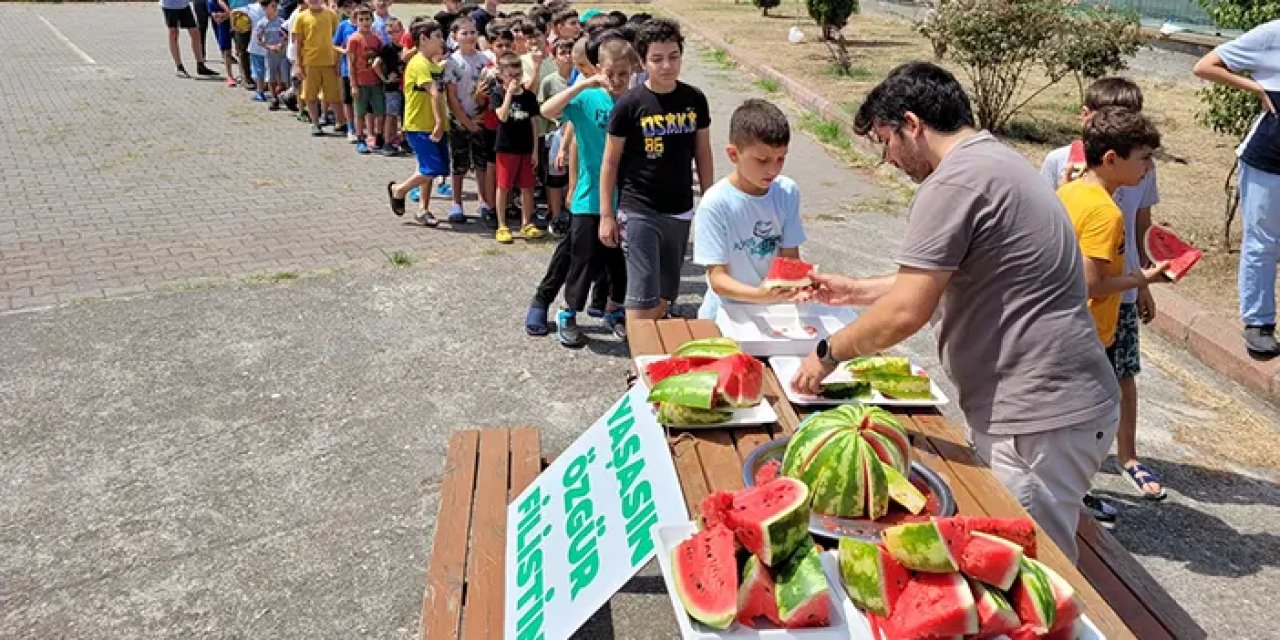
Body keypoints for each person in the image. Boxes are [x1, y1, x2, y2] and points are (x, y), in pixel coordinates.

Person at [790, 62, 1120, 562]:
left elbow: (908, 310)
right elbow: (951, 276)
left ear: (912, 124)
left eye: (887, 142)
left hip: (1037, 419)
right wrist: (854, 289)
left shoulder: (953, 183)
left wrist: (827, 352)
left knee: (1029, 568)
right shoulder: (994, 160)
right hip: (1060, 407)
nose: (890, 159)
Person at [1041, 78, 1167, 508]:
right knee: (1090, 415)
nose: (1149, 166)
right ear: (1112, 157)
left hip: (1064, 322)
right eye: (1144, 158)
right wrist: (1142, 280)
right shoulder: (1104, 210)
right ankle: (1071, 495)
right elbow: (1091, 282)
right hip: (1087, 329)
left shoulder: (1075, 191)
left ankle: (1063, 488)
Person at [600, 18, 713, 324]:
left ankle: (652, 351)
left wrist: (709, 201)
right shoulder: (629, 104)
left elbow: (702, 151)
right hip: (639, 210)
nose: (666, 66)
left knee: (665, 291)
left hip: (679, 209)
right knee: (641, 292)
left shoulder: (694, 99)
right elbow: (610, 162)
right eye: (657, 59)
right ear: (642, 61)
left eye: (673, 56)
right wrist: (606, 215)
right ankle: (639, 364)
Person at [539, 38, 635, 347]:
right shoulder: (588, 99)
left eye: (624, 74)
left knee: (617, 264)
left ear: (633, 71)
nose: (617, 80)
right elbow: (547, 109)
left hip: (626, 200)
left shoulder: (634, 103)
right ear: (599, 70)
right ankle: (568, 312)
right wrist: (585, 84)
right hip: (588, 198)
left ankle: (614, 310)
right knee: (582, 260)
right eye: (611, 73)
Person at [1193, 20, 1280, 360]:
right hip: (1269, 158)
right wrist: (1256, 88)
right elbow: (1205, 66)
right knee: (1263, 240)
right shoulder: (1273, 33)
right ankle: (1258, 322)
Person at [694, 99, 807, 320]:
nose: (773, 169)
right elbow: (718, 279)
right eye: (762, 160)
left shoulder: (787, 191)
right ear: (733, 154)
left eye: (780, 159)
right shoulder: (715, 203)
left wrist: (799, 284)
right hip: (724, 314)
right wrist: (760, 295)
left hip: (773, 313)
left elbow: (791, 257)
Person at [386, 19, 450, 227]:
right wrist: (440, 123)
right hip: (420, 125)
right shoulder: (419, 63)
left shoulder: (431, 63)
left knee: (429, 169)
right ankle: (399, 190)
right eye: (437, 37)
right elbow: (433, 92)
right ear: (423, 39)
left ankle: (423, 209)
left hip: (432, 125)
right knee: (432, 168)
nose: (442, 41)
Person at [442, 17, 492, 224]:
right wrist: (465, 121)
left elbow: (488, 91)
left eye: (473, 32)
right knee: (459, 164)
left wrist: (481, 115)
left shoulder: (485, 60)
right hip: (459, 121)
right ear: (454, 36)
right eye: (464, 33)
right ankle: (456, 203)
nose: (470, 36)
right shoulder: (452, 63)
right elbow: (452, 97)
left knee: (481, 162)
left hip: (480, 118)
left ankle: (484, 202)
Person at [493, 53, 545, 243]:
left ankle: (527, 223)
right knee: (503, 186)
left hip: (525, 148)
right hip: (506, 148)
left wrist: (534, 151)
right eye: (510, 75)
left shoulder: (529, 96)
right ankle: (501, 224)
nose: (515, 79)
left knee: (528, 187)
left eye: (518, 74)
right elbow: (502, 116)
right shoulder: (498, 93)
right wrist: (508, 93)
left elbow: (534, 124)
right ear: (501, 75)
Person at [475, 24, 516, 228]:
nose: (504, 49)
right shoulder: (488, 71)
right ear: (492, 46)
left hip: (512, 125)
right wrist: (480, 95)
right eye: (499, 45)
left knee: (509, 167)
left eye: (508, 45)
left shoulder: (516, 69)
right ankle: (491, 205)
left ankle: (508, 204)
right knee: (492, 167)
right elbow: (479, 100)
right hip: (492, 125)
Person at [293, 0, 347, 136]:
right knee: (310, 95)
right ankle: (315, 123)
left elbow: (338, 39)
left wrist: (338, 61)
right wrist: (298, 65)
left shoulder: (331, 15)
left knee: (334, 96)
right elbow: (298, 44)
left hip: (330, 62)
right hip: (310, 62)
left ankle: (341, 123)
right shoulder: (301, 17)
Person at [347, 6, 386, 154]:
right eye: (361, 20)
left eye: (367, 19)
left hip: (375, 81)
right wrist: (353, 85)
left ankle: (379, 137)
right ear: (356, 21)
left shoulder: (376, 39)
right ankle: (360, 138)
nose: (365, 22)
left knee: (379, 111)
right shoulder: (353, 39)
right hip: (361, 82)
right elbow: (351, 64)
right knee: (360, 112)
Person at [161, 0, 216, 78]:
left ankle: (200, 65)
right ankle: (179, 66)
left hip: (184, 5)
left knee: (195, 32)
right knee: (174, 33)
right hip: (169, 6)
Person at [375, 17, 406, 155]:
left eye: (395, 31)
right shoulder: (387, 48)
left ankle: (400, 140)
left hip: (405, 85)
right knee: (391, 115)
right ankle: (387, 142)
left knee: (404, 115)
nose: (393, 35)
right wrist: (385, 79)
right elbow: (375, 64)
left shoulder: (406, 48)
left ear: (402, 30)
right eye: (389, 32)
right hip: (392, 87)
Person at [333, 7, 360, 141]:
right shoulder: (343, 26)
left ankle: (361, 127)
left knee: (361, 101)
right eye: (349, 5)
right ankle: (351, 127)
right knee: (348, 100)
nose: (352, 8)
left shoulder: (366, 26)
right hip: (346, 69)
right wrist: (343, 51)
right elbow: (335, 44)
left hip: (363, 71)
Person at [246, 0, 272, 101]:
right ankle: (272, 92)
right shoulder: (275, 7)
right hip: (271, 44)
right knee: (270, 70)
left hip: (256, 44)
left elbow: (235, 13)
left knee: (258, 70)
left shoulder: (250, 8)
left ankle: (260, 92)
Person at [209, 0, 239, 86]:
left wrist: (228, 14)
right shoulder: (212, 2)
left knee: (241, 48)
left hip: (238, 18)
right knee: (226, 50)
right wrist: (230, 13)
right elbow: (217, 17)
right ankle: (230, 76)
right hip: (225, 21)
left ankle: (244, 74)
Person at [230, 0, 257, 90]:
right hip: (239, 18)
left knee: (253, 49)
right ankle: (246, 78)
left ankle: (254, 77)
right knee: (242, 51)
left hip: (255, 15)